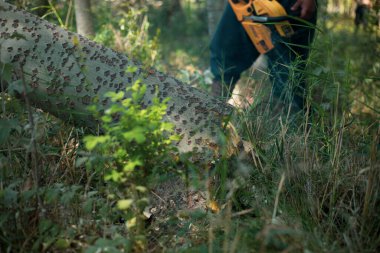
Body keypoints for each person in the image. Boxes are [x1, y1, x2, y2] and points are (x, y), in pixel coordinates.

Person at [210, 0, 317, 112]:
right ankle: (212, 117)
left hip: (286, 6)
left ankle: (294, 123)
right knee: (223, 60)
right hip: (241, 4)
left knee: (288, 76)